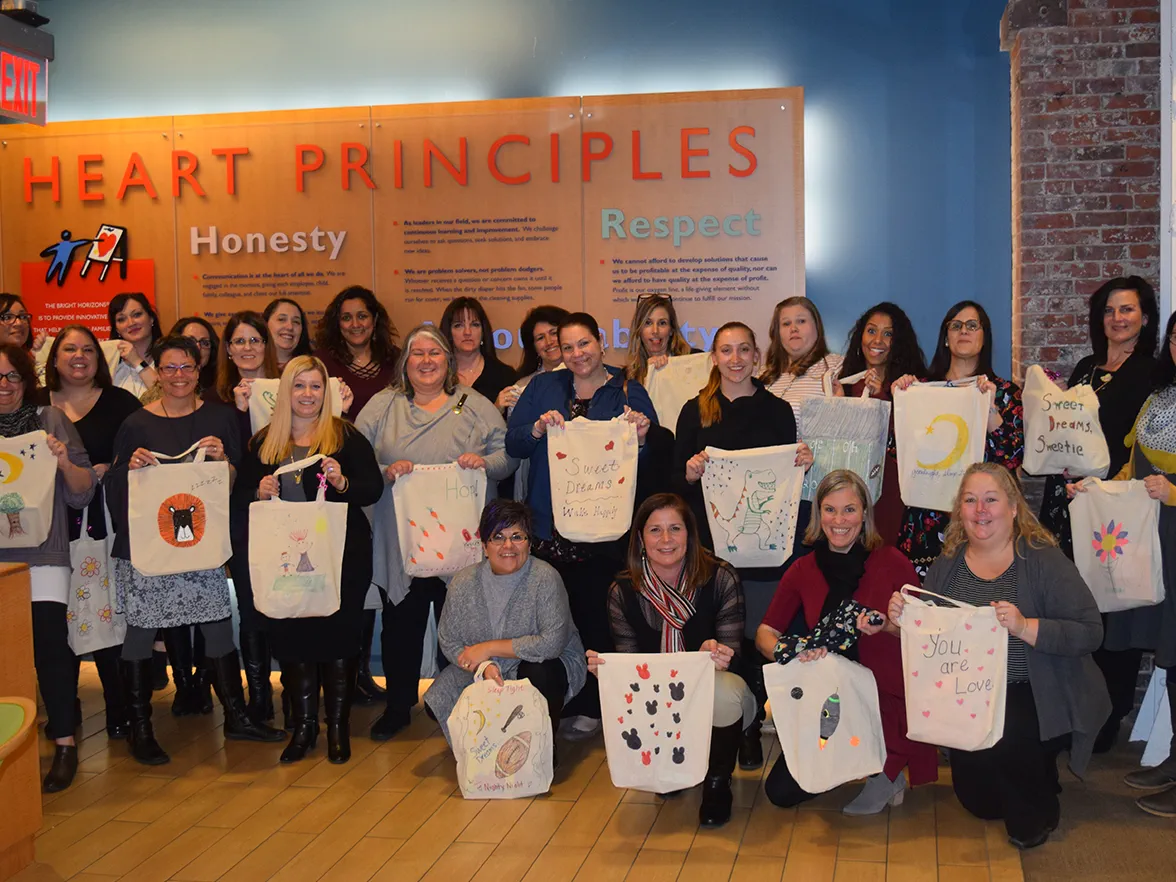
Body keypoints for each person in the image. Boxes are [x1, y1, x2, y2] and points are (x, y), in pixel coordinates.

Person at [889, 463, 1109, 849]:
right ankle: (1032, 771)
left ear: (1013, 507)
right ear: (960, 510)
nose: (980, 510)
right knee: (980, 802)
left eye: (991, 500)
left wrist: (1026, 627)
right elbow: (930, 636)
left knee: (1009, 737)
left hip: (1033, 687)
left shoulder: (1042, 560)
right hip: (969, 691)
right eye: (970, 501)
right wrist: (899, 620)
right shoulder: (948, 564)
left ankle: (1037, 808)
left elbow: (1091, 631)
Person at [107, 335, 285, 765]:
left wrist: (225, 462)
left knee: (217, 624)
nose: (179, 376)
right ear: (159, 373)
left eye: (187, 367)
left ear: (199, 370)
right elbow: (114, 489)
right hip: (149, 548)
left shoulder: (221, 419)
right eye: (169, 368)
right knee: (142, 630)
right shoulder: (135, 424)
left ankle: (236, 716)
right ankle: (140, 727)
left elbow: (236, 484)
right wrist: (129, 470)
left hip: (199, 545)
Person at [356, 325, 516, 741]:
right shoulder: (382, 406)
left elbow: (507, 457)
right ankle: (398, 705)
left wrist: (483, 465)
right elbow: (356, 462)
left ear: (448, 361)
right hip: (402, 543)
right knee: (401, 626)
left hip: (460, 547)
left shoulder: (475, 405)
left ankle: (456, 705)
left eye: (435, 354)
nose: (426, 361)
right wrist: (385, 473)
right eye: (416, 354)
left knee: (460, 627)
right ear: (404, 363)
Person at [506, 312, 656, 739]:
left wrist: (642, 437)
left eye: (584, 344)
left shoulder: (627, 388)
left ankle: (595, 704)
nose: (576, 354)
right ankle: (555, 701)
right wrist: (535, 428)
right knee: (553, 621)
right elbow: (513, 443)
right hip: (549, 529)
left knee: (598, 619)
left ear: (601, 342)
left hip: (605, 532)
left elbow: (649, 459)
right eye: (568, 347)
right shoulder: (542, 387)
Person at [673, 321, 813, 769]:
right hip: (712, 547)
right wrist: (690, 472)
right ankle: (734, 726)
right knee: (723, 635)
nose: (735, 359)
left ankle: (752, 724)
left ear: (757, 356)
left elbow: (785, 477)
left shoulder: (777, 411)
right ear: (713, 358)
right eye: (726, 350)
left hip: (766, 546)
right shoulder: (694, 411)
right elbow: (676, 482)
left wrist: (804, 462)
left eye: (744, 350)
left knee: (756, 636)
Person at [754, 470, 936, 813]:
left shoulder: (893, 562)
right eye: (830, 509)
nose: (839, 520)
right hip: (830, 695)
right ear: (818, 514)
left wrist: (886, 627)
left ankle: (884, 769)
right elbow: (766, 632)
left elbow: (925, 632)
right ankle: (856, 761)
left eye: (849, 510)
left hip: (886, 691)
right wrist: (791, 650)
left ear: (865, 514)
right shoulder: (803, 569)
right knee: (780, 793)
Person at [237, 355, 383, 764]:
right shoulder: (265, 441)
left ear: (327, 392)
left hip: (342, 559)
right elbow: (239, 499)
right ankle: (303, 728)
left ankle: (337, 727)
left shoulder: (345, 437)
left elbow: (372, 490)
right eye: (299, 386)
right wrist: (257, 492)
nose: (307, 394)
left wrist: (341, 482)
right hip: (285, 562)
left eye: (315, 386)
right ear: (286, 392)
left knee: (339, 638)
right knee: (292, 640)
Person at [1038, 277, 1158, 753]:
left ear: (1144, 318)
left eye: (1127, 310)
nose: (1117, 319)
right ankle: (1074, 712)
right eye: (1109, 311)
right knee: (1073, 607)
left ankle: (1108, 718)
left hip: (1115, 511)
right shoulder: (1087, 367)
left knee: (1112, 609)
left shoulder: (1152, 374)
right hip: (1068, 504)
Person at [587, 493, 756, 826]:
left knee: (724, 692)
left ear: (690, 535)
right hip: (660, 695)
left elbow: (733, 654)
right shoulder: (622, 591)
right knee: (640, 696)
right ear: (640, 538)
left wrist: (717, 654)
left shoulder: (721, 577)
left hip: (716, 691)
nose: (666, 540)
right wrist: (607, 672)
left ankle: (717, 781)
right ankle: (671, 765)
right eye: (655, 530)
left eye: (675, 529)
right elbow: (631, 668)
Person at [1070, 310, 1176, 817]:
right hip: (1157, 541)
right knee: (1171, 653)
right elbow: (1132, 467)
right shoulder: (1160, 397)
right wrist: (1096, 488)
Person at [425, 499, 588, 766]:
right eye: (498, 537)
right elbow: (448, 639)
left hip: (543, 663)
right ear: (484, 545)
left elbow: (552, 644)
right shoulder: (463, 582)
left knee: (539, 673)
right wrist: (484, 665)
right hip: (484, 666)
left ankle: (543, 744)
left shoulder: (545, 578)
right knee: (436, 702)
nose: (508, 546)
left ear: (529, 542)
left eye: (517, 537)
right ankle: (489, 744)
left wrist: (488, 648)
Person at [0, 344, 97, 792]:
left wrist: (60, 460)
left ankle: (63, 742)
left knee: (50, 650)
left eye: (11, 376)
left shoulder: (50, 421)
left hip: (42, 552)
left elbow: (82, 492)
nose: (4, 386)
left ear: (26, 380)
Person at [44, 326, 141, 744]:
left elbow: (141, 456)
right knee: (53, 618)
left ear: (100, 360)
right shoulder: (35, 407)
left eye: (88, 349)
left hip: (104, 525)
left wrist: (110, 470)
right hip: (46, 530)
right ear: (54, 359)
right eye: (69, 349)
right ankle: (65, 709)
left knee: (105, 612)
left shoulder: (121, 403)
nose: (79, 356)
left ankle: (118, 706)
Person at [894, 301, 1024, 577]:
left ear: (984, 336)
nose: (963, 331)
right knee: (923, 607)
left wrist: (988, 408)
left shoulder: (1004, 393)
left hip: (983, 518)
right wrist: (903, 400)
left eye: (972, 325)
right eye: (956, 325)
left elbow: (1012, 459)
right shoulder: (923, 389)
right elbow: (898, 451)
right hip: (926, 519)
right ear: (945, 337)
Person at [839, 303, 927, 543]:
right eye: (871, 331)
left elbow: (916, 439)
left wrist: (883, 397)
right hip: (850, 492)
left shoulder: (910, 386)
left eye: (888, 333)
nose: (877, 340)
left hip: (892, 491)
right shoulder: (843, 384)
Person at [508, 305, 570, 501]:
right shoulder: (522, 387)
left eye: (554, 333)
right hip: (538, 479)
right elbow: (514, 438)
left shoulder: (590, 377)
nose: (549, 342)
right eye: (540, 338)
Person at [314, 285, 400, 418]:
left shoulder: (396, 359)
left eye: (362, 316)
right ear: (338, 323)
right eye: (346, 318)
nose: (355, 324)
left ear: (375, 319)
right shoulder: (321, 363)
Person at [760, 296, 844, 407]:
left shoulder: (837, 366)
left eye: (801, 321)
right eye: (786, 323)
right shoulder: (763, 373)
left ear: (817, 327)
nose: (793, 329)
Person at [440, 297, 518, 411]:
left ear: (483, 331)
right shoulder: (438, 376)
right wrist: (493, 409)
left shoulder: (505, 376)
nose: (467, 332)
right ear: (449, 333)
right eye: (459, 325)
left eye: (475, 325)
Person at [624, 294, 694, 384]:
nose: (655, 331)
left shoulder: (692, 361)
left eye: (662, 323)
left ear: (671, 330)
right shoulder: (626, 377)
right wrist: (648, 377)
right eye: (648, 323)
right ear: (639, 330)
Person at [107, 293, 163, 401]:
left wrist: (137, 362)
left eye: (137, 315)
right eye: (121, 319)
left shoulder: (169, 356)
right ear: (117, 329)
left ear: (151, 318)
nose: (131, 323)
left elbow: (167, 395)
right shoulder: (109, 364)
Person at [168, 317, 219, 394]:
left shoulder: (221, 389)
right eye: (190, 341)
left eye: (205, 343)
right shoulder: (163, 386)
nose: (198, 348)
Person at [265, 298, 313, 371]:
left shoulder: (313, 366)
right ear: (265, 323)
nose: (290, 327)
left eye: (296, 322)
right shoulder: (251, 364)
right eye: (281, 319)